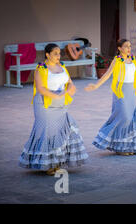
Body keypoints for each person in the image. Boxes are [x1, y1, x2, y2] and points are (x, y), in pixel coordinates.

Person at [19, 44, 88, 175]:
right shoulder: (41, 68)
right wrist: (56, 95)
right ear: (47, 55)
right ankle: (48, 165)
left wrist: (71, 88)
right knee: (48, 133)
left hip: (61, 104)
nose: (58, 56)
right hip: (45, 104)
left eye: (59, 53)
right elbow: (40, 88)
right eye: (55, 53)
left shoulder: (62, 66)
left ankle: (56, 163)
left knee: (61, 132)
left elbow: (69, 82)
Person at [85, 39, 136, 155]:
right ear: (120, 48)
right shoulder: (117, 61)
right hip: (120, 92)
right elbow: (107, 75)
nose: (129, 48)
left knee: (130, 118)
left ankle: (126, 147)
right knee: (124, 117)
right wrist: (96, 85)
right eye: (126, 46)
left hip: (130, 91)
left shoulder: (132, 59)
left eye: (130, 46)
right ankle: (118, 146)